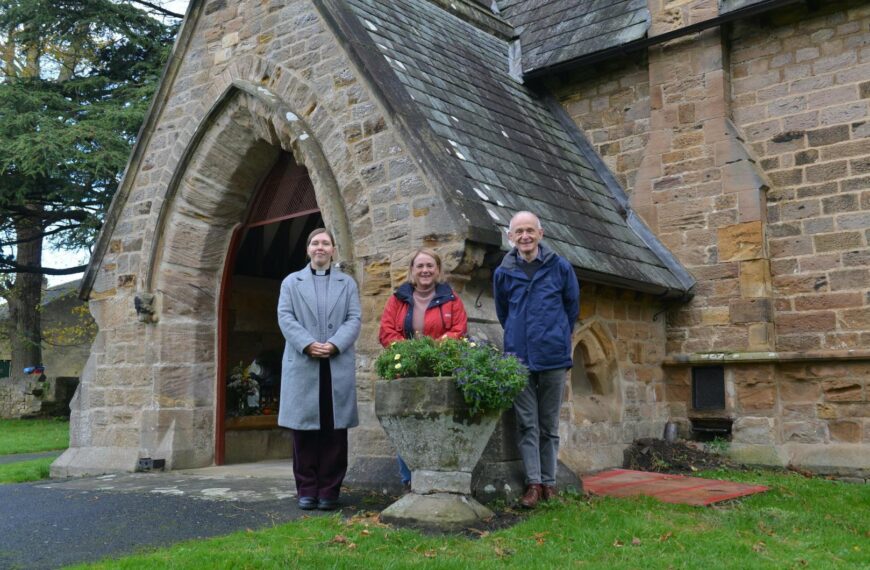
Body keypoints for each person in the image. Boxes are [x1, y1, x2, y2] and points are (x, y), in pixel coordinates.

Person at [493, 211, 580, 509]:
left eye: (530, 230)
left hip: (553, 355)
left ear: (541, 234)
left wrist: (556, 335)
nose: (525, 236)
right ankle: (534, 484)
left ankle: (550, 483)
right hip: (519, 357)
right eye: (519, 232)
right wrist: (519, 334)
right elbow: (503, 312)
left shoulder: (560, 267)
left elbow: (571, 308)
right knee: (527, 424)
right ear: (510, 237)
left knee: (549, 425)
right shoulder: (503, 272)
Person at [277, 228, 361, 511]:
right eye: (315, 243)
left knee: (334, 432)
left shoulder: (347, 284)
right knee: (304, 432)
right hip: (304, 363)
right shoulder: (291, 282)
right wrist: (308, 344)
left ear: (333, 250)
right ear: (308, 249)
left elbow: (354, 318)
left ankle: (329, 491)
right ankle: (307, 490)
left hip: (336, 366)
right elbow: (285, 317)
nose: (320, 247)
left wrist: (335, 344)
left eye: (325, 243)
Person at [378, 248, 468, 489]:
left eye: (430, 266)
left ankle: (438, 479)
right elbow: (386, 331)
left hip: (440, 371)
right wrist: (412, 353)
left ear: (438, 270)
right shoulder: (398, 299)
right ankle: (409, 480)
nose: (425, 270)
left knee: (438, 424)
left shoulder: (451, 299)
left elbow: (458, 330)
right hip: (405, 370)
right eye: (420, 266)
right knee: (407, 425)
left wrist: (433, 351)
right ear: (412, 270)